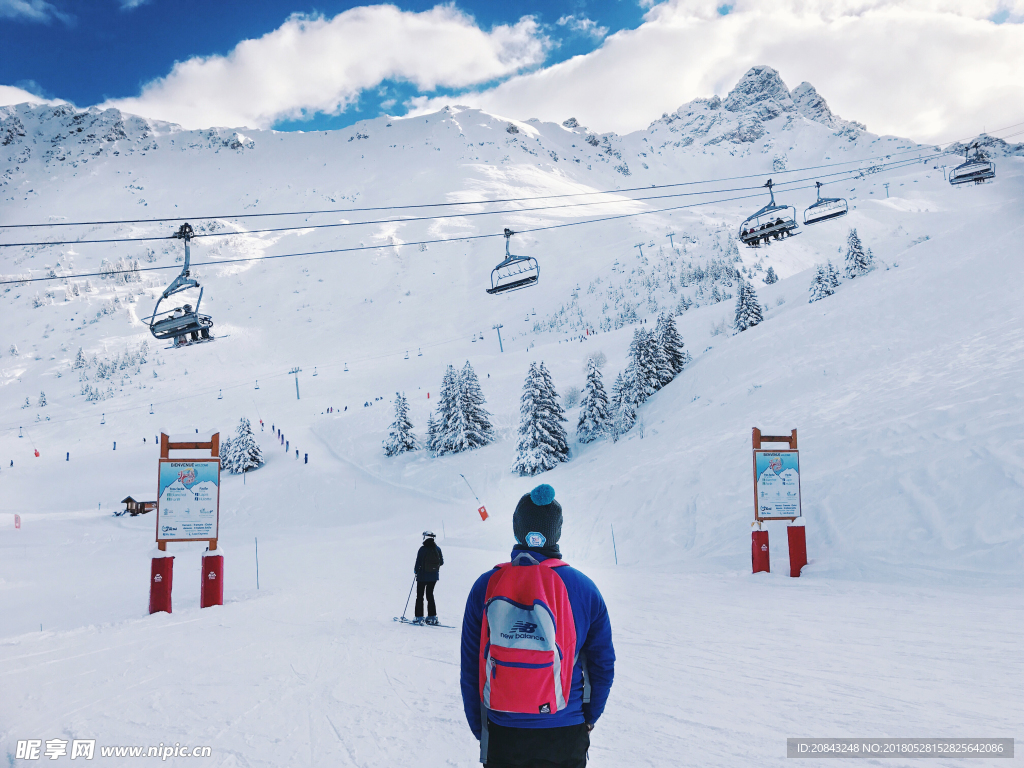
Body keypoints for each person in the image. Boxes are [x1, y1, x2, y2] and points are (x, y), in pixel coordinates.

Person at [460, 484, 615, 768]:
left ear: (518, 530)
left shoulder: (486, 586)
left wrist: (479, 728)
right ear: (555, 533)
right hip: (565, 731)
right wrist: (589, 718)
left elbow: (471, 665)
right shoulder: (584, 588)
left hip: (503, 732)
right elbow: (602, 665)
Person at [413, 531, 444, 625]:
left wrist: (416, 571)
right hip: (433, 577)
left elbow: (418, 562)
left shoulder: (422, 549)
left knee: (420, 596)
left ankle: (419, 617)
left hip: (422, 576)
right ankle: (432, 616)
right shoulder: (437, 549)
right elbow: (441, 562)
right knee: (430, 595)